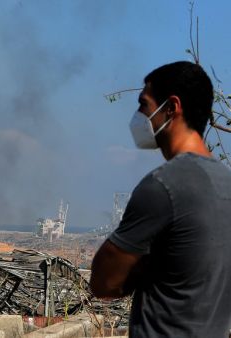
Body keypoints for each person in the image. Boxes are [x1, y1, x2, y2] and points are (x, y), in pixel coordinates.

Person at [90, 61, 231, 337]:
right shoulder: (226, 183)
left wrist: (145, 267)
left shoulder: (164, 185)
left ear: (171, 107)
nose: (140, 114)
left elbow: (103, 281)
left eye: (144, 103)